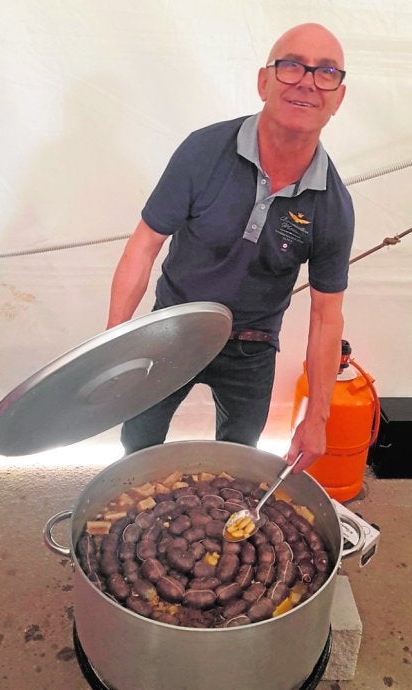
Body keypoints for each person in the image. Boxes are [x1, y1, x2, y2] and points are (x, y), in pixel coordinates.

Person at [107, 22, 354, 474]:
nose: (307, 81)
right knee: (136, 450)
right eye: (292, 66)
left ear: (338, 98)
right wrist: (113, 347)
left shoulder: (333, 206)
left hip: (252, 350)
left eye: (326, 72)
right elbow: (143, 246)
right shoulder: (203, 151)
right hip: (172, 330)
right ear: (263, 81)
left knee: (237, 468)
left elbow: (326, 316)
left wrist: (317, 417)